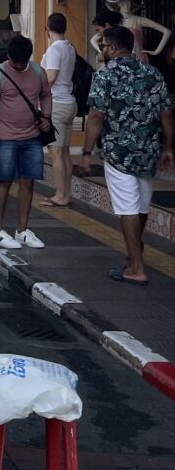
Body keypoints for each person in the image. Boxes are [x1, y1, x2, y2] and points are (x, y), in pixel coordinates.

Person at [78, 26, 173, 285]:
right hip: (148, 151)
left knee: (127, 207)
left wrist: (86, 153)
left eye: (102, 47)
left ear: (111, 47)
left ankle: (136, 267)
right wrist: (168, 148)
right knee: (141, 204)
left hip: (119, 153)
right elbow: (166, 114)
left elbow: (96, 117)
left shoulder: (105, 75)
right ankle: (135, 252)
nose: (100, 51)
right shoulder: (152, 73)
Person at [0, 34, 52, 249]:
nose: (18, 66)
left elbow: (46, 95)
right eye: (14, 62)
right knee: (4, 181)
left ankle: (22, 230)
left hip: (32, 137)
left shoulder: (38, 72)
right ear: (8, 55)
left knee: (28, 182)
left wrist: (47, 117)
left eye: (22, 63)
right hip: (4, 137)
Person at [40, 13, 78, 207]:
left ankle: (61, 195)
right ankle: (65, 194)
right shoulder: (69, 47)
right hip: (69, 102)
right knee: (64, 152)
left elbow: (51, 76)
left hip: (57, 104)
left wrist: (36, 88)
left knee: (56, 153)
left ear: (47, 28)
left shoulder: (55, 49)